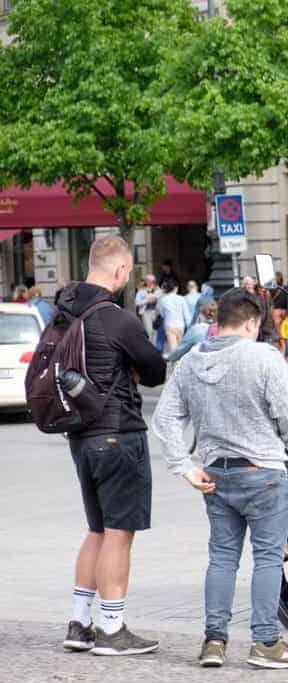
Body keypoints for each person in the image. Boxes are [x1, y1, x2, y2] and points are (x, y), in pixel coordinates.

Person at [152, 289, 288, 669]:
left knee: (222, 558)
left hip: (215, 474)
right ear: (253, 322)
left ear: (219, 320)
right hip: (262, 471)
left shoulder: (191, 362)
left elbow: (165, 418)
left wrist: (184, 466)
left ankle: (214, 641)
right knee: (268, 558)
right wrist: (282, 442)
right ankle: (266, 641)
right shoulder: (265, 358)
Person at [57, 235, 167, 656]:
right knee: (120, 534)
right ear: (121, 271)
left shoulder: (63, 313)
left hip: (80, 435)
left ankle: (79, 622)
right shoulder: (116, 318)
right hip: (118, 433)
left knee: (97, 531)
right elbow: (156, 369)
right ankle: (111, 628)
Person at [157, 280, 189, 354]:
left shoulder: (163, 299)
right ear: (175, 288)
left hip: (169, 324)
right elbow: (186, 314)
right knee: (180, 347)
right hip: (181, 325)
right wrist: (189, 325)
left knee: (173, 347)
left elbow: (161, 314)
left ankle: (174, 364)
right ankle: (180, 363)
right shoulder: (182, 298)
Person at [135, 274, 159, 339]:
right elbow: (137, 302)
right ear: (146, 281)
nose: (151, 283)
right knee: (149, 330)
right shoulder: (141, 291)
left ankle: (154, 347)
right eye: (150, 281)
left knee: (155, 331)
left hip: (156, 313)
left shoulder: (158, 290)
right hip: (146, 312)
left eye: (153, 281)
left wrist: (157, 298)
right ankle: (149, 345)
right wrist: (147, 300)